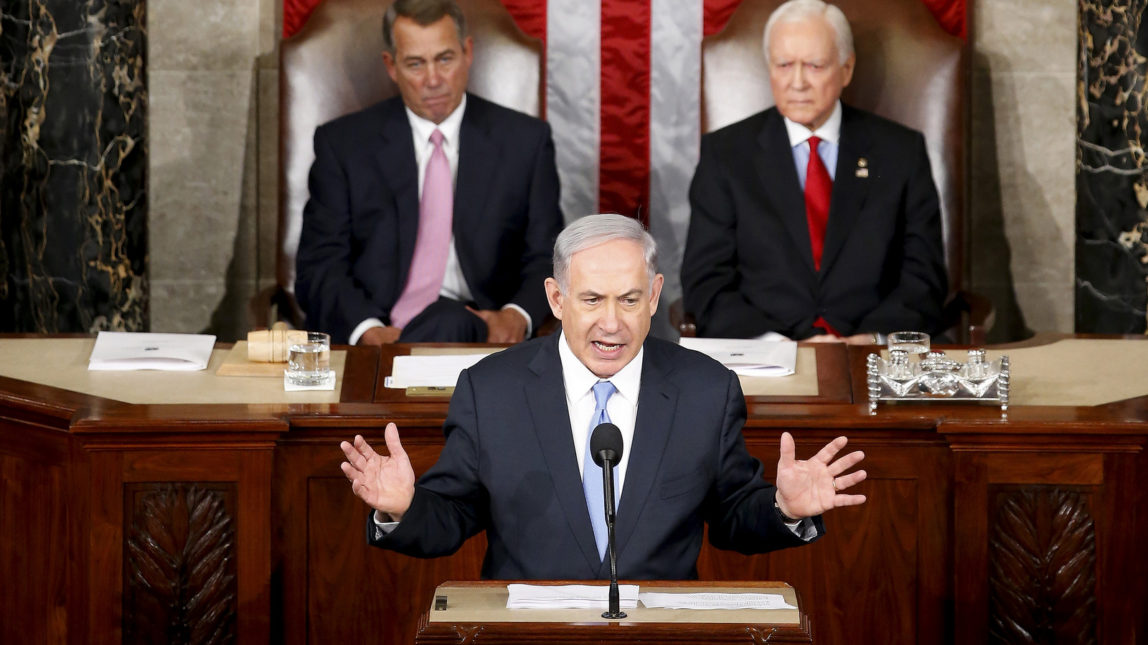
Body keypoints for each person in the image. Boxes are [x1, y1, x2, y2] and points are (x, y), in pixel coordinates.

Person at [339, 213, 867, 580]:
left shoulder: (705, 390)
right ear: (556, 298)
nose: (611, 323)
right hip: (529, 634)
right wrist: (404, 508)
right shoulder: (491, 390)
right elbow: (452, 516)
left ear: (655, 295)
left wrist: (783, 507)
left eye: (630, 299)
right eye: (591, 299)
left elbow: (731, 515)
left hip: (657, 633)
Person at [295, 0, 563, 346]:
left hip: (486, 341)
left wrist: (516, 315)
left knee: (451, 321)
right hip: (381, 338)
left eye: (445, 59)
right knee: (443, 324)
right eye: (415, 64)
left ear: (467, 53)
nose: (433, 79)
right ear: (391, 66)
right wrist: (367, 331)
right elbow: (320, 265)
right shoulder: (343, 146)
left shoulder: (525, 142)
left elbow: (547, 255)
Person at [681, 0, 947, 344]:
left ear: (846, 69)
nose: (797, 82)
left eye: (815, 66)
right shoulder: (726, 155)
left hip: (872, 355)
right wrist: (779, 345)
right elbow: (706, 281)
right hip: (766, 358)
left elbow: (923, 275)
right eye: (784, 64)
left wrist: (873, 339)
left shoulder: (901, 151)